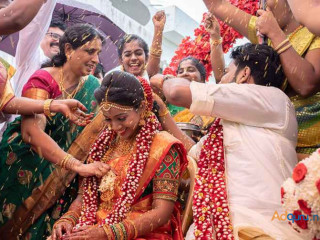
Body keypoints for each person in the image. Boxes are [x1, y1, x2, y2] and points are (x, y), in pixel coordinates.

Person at [158, 43, 306, 239]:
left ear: (244, 74)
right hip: (213, 229)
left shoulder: (273, 99)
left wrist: (164, 79)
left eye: (227, 72)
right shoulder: (223, 128)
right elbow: (193, 152)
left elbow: (176, 91)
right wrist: (162, 111)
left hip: (263, 227)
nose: (222, 80)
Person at [0, 24, 111, 239]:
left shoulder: (92, 87)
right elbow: (31, 134)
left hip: (60, 183)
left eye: (98, 53)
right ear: (68, 50)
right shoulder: (43, 80)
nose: (96, 59)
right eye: (90, 51)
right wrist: (77, 165)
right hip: (22, 170)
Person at [50, 70, 188, 240]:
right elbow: (83, 196)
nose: (115, 127)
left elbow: (162, 212)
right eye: (108, 119)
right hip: (95, 227)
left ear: (143, 108)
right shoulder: (104, 143)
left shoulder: (164, 147)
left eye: (121, 118)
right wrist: (69, 219)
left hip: (140, 231)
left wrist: (108, 234)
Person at [203, 0, 320, 159]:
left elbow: (306, 84)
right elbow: (217, 5)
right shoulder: (262, 30)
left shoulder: (315, 29)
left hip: (311, 153)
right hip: (270, 147)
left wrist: (275, 33)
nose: (262, 6)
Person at [111, 11, 166, 80]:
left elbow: (155, 56)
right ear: (120, 60)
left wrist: (158, 29)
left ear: (146, 58)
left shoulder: (149, 79)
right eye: (127, 55)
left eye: (138, 53)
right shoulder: (112, 80)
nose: (133, 58)